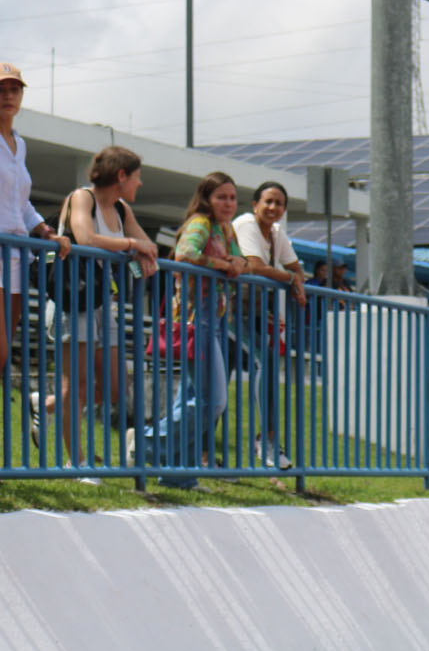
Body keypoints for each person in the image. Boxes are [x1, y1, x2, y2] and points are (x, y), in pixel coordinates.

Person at [30, 146, 157, 475]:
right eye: (137, 177)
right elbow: (85, 237)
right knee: (79, 386)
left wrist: (145, 252)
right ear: (121, 176)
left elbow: (149, 245)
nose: (139, 184)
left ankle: (44, 405)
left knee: (117, 386)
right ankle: (78, 462)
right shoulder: (81, 197)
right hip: (73, 302)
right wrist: (132, 246)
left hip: (104, 304)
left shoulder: (122, 208)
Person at [129, 171, 245, 489]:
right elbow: (185, 254)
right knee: (213, 401)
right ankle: (147, 445)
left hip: (215, 320)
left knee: (192, 399)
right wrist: (225, 265)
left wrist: (238, 264)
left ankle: (179, 473)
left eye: (233, 197)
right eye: (221, 196)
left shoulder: (226, 228)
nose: (228, 203)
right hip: (197, 320)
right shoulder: (200, 223)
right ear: (206, 199)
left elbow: (241, 260)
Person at [0, 62, 70, 379]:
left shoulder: (20, 143)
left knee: (1, 358)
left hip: (15, 256)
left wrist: (45, 230)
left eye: (14, 89)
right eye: (1, 90)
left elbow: (21, 201)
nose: (8, 96)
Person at [234, 180, 306, 470]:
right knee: (264, 365)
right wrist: (291, 280)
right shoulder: (246, 224)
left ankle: (269, 439)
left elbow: (296, 267)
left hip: (256, 312)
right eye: (268, 202)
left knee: (211, 391)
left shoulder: (277, 233)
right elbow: (254, 266)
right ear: (255, 205)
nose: (273, 208)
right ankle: (266, 440)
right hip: (231, 310)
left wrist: (295, 279)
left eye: (279, 203)